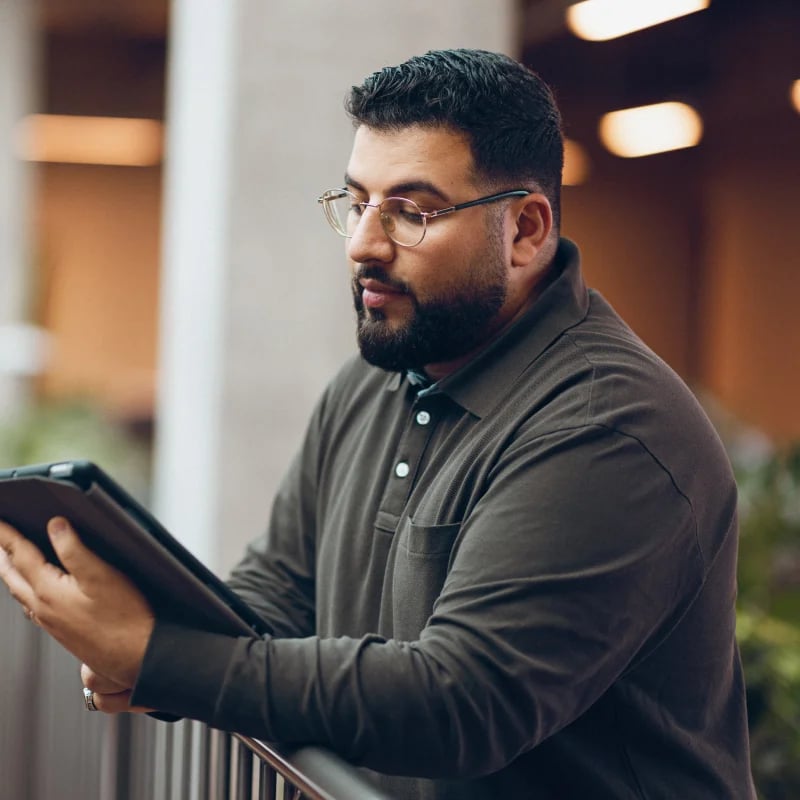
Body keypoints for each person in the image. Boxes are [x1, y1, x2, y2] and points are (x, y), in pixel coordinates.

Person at [0, 49, 756, 799]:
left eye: (412, 212)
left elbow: (463, 703)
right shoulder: (375, 377)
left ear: (526, 230)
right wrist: (142, 643)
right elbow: (278, 598)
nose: (364, 242)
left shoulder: (608, 427)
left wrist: (160, 657)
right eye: (358, 201)